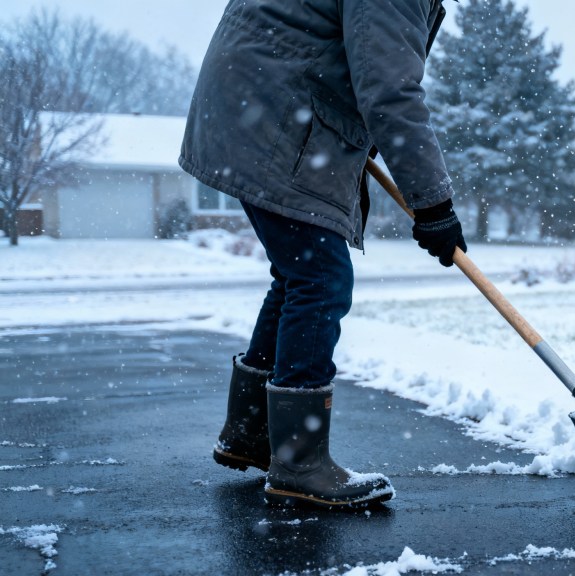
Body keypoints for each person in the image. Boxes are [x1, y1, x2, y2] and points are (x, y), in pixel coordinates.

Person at [179, 0, 465, 509]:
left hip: (254, 99)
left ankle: (251, 434)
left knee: (300, 273)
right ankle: (299, 462)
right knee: (321, 278)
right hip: (273, 110)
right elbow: (389, 90)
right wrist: (434, 204)